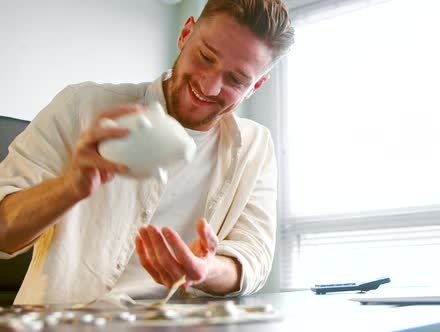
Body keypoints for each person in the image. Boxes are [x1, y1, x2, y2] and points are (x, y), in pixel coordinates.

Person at [0, 0, 294, 305]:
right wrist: (70, 187)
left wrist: (204, 270)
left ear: (256, 84)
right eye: (205, 57)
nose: (209, 87)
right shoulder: (81, 107)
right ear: (185, 34)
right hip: (65, 322)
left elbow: (253, 258)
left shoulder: (256, 147)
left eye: (235, 79)